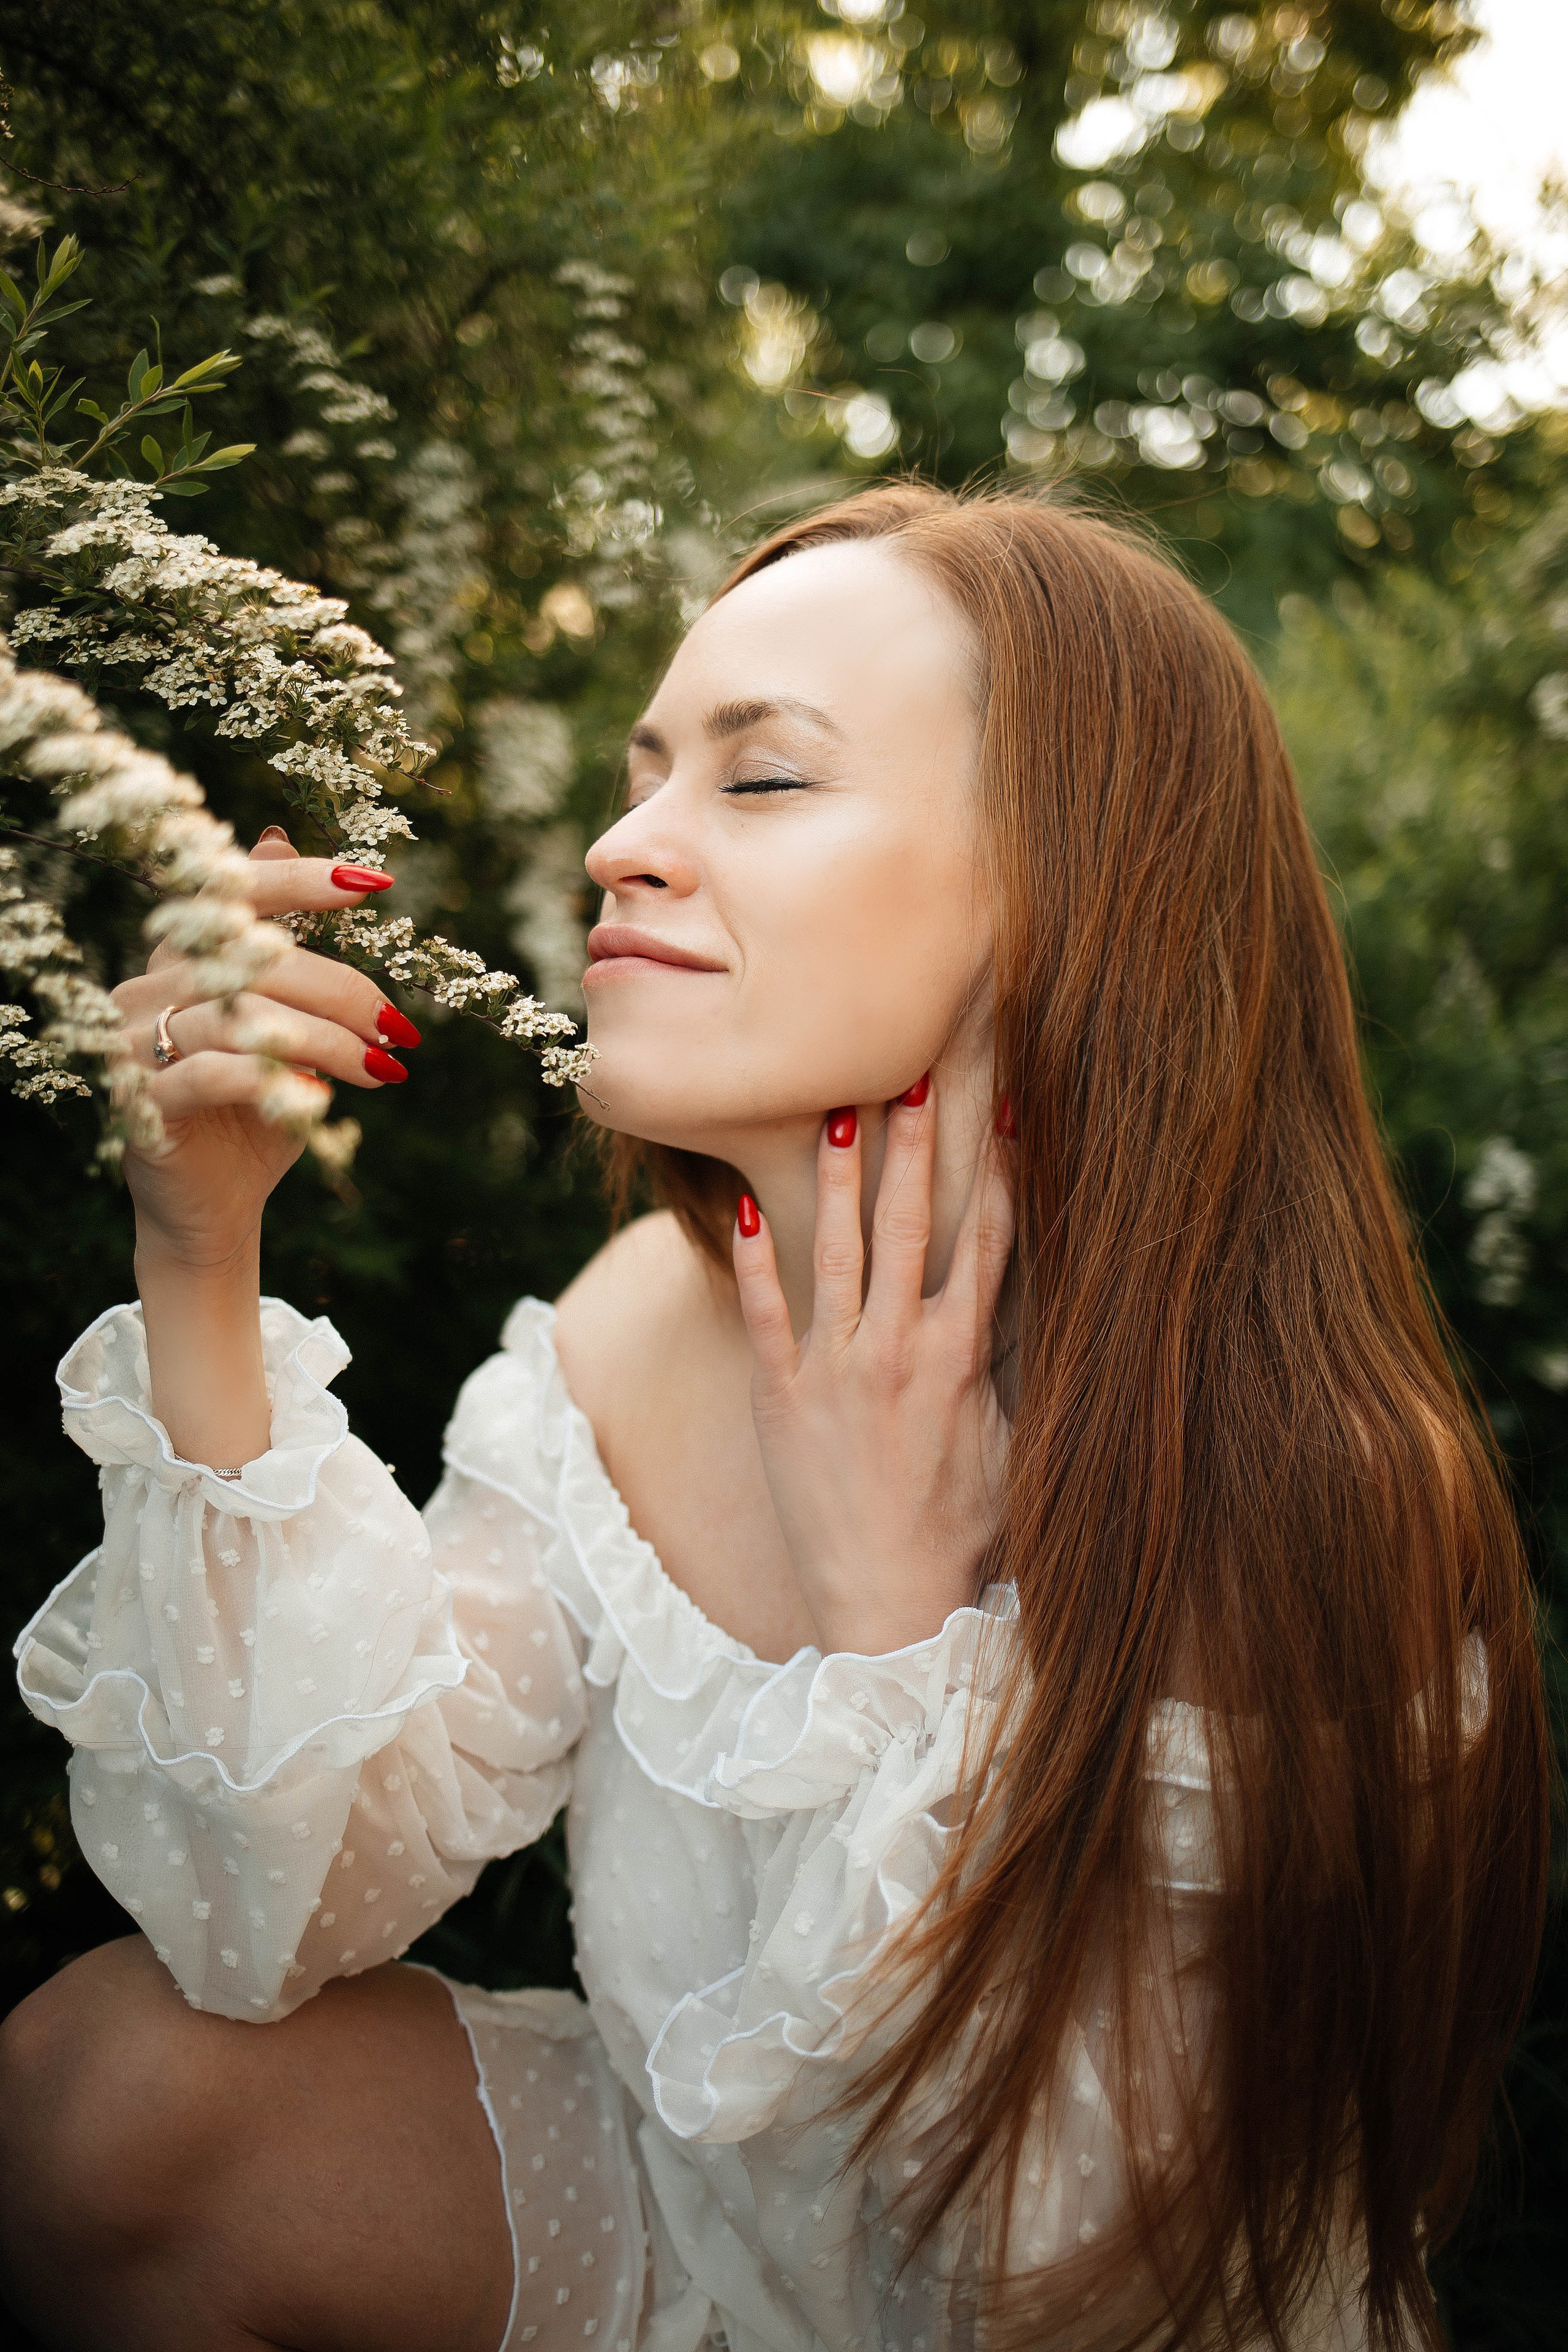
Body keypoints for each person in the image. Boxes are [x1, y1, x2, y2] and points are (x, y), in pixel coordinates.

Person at [0, 484, 1548, 2352]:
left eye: (762, 778)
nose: (618, 846)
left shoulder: (1307, 1490)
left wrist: (896, 1627)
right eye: (646, 775)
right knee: (106, 2098)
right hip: (705, 2222)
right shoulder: (640, 1325)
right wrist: (200, 1257)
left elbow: (1046, 2291)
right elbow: (269, 1909)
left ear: (1075, 886)